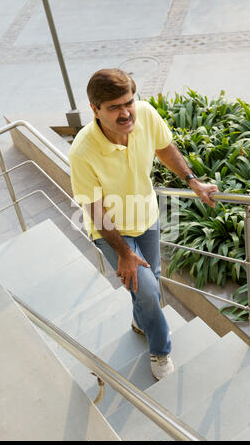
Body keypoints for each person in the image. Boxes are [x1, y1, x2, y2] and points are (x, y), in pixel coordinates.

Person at [69, 68, 219, 380]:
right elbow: (95, 210)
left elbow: (164, 148)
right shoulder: (82, 151)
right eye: (114, 108)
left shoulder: (146, 115)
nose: (125, 113)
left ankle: (140, 322)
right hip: (110, 229)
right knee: (148, 290)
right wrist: (124, 253)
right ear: (95, 110)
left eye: (128, 103)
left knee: (153, 282)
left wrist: (193, 182)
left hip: (146, 216)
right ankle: (160, 350)